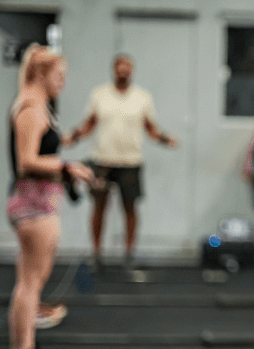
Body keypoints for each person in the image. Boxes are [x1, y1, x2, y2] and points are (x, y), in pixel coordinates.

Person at [5, 45, 95, 349]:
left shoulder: (39, 107)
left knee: (32, 281)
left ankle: (25, 345)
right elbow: (26, 161)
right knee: (30, 282)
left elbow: (46, 147)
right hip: (33, 205)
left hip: (40, 202)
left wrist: (72, 146)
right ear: (42, 74)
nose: (62, 82)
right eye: (59, 75)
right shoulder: (30, 108)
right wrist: (68, 167)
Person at [64, 54, 178, 270]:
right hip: (102, 160)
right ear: (114, 69)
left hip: (130, 161)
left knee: (130, 208)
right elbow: (89, 124)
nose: (123, 72)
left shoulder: (142, 97)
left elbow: (150, 128)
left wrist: (165, 139)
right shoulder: (99, 94)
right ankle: (96, 253)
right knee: (99, 207)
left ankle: (129, 253)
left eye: (127, 68)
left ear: (132, 71)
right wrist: (74, 136)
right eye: (120, 67)